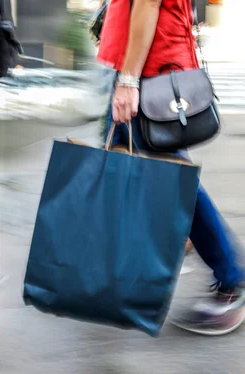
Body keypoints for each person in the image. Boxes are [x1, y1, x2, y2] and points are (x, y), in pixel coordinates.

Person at [98, 0, 245, 335]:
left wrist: (129, 80)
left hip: (151, 72)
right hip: (143, 66)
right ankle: (160, 259)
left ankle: (231, 276)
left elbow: (149, 3)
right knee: (141, 171)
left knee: (172, 180)